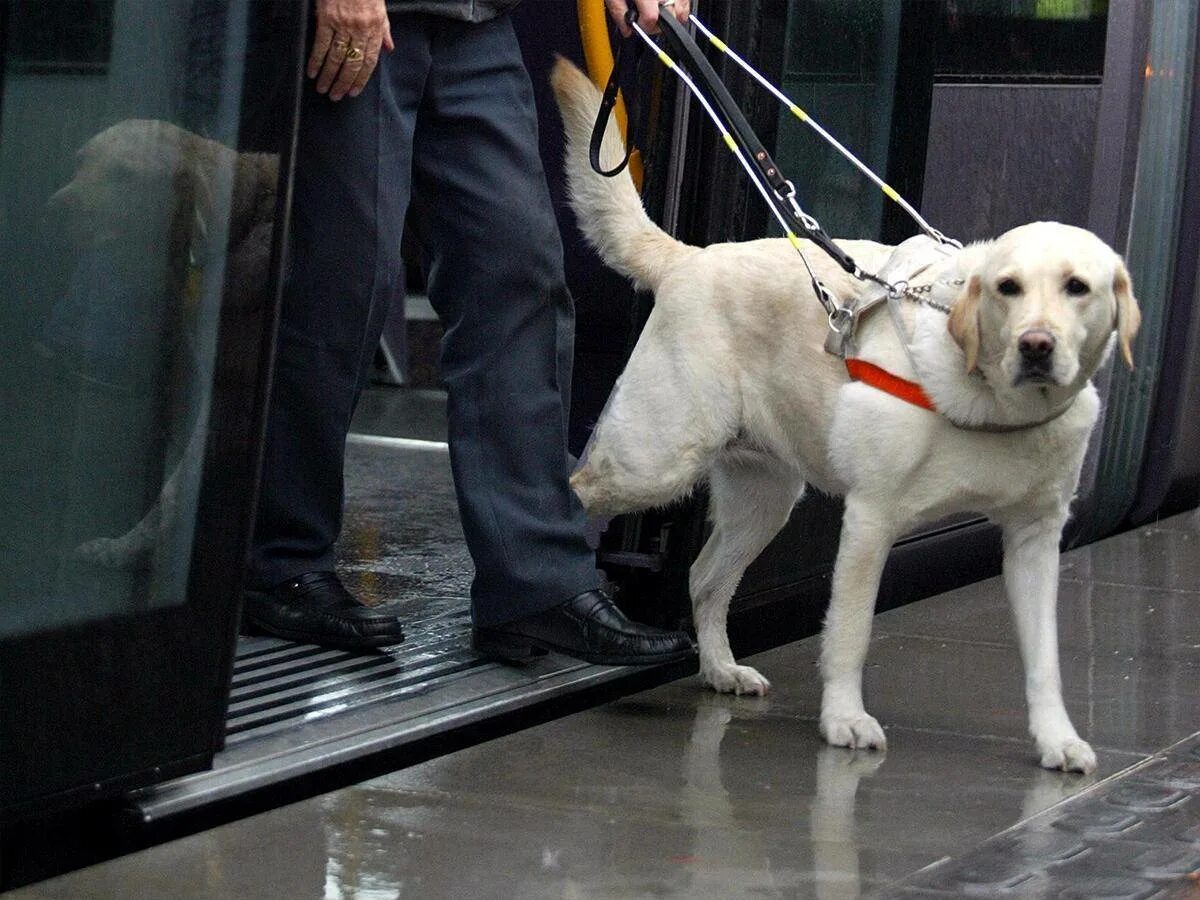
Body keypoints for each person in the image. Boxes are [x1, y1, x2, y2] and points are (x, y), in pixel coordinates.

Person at [241, 0, 695, 666]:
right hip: (365, 16)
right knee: (340, 283)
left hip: (478, 24)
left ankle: (537, 583)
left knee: (518, 276)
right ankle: (276, 563)